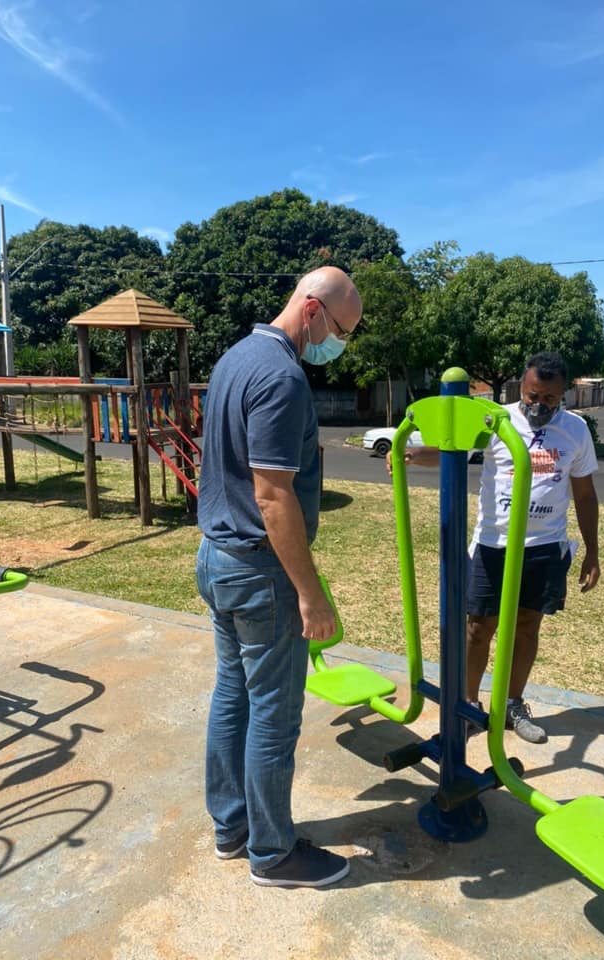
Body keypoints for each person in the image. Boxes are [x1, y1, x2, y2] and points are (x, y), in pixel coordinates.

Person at [196, 266, 362, 887]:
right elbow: (272, 497)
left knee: (232, 694)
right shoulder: (282, 377)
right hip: (259, 573)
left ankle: (232, 827)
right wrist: (310, 594)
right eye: (342, 330)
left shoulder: (234, 358)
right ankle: (272, 853)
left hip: (217, 556)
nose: (339, 345)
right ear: (314, 310)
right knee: (274, 712)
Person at [395, 352, 600, 744]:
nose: (539, 405)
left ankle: (511, 703)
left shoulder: (574, 431)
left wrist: (592, 551)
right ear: (522, 385)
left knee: (526, 627)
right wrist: (411, 455)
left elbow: (586, 494)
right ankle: (470, 707)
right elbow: (452, 452)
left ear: (564, 395)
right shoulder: (495, 420)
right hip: (494, 543)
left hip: (544, 546)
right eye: (533, 394)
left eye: (550, 399)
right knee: (478, 628)